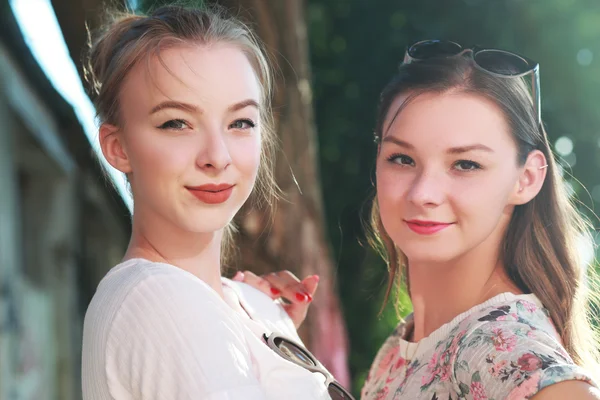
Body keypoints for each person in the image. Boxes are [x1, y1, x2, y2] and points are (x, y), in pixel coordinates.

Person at [237, 40, 600, 399]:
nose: (423, 192)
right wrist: (275, 354)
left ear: (527, 179)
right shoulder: (399, 349)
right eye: (402, 159)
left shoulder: (507, 354)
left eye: (465, 164)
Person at [81, 5, 353, 399]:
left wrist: (269, 337)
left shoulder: (235, 304)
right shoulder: (161, 300)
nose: (217, 156)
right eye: (176, 123)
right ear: (118, 147)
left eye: (240, 122)